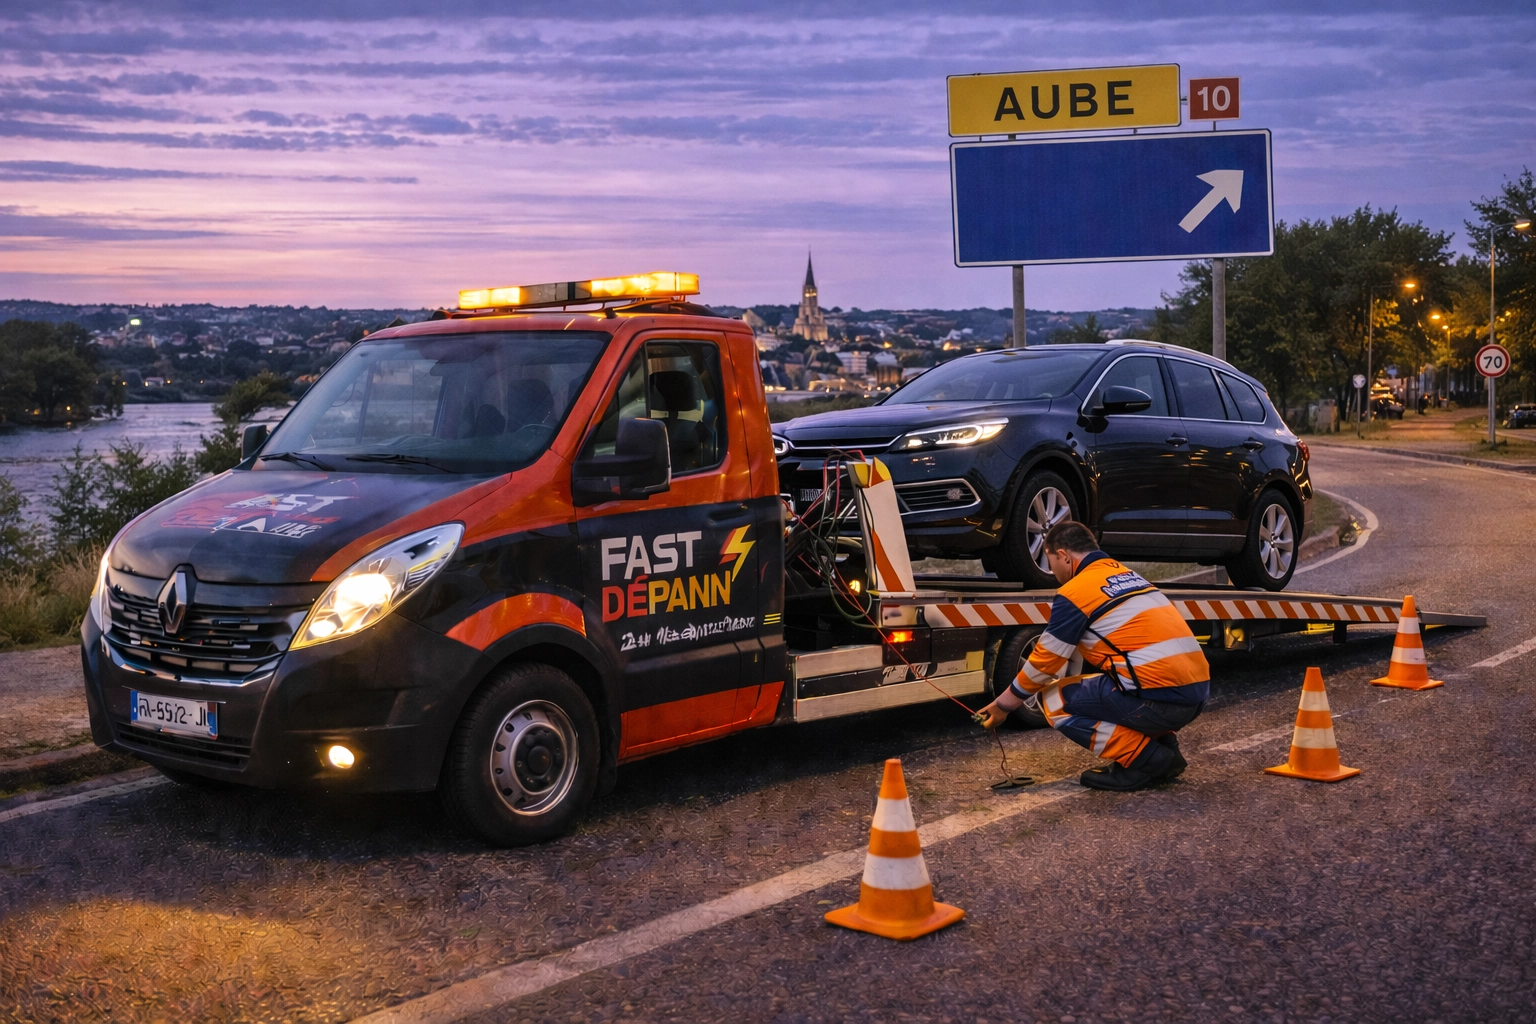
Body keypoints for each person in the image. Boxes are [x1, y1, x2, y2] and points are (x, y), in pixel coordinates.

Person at [977, 520, 1210, 791]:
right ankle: (1166, 749)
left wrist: (1003, 706)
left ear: (1063, 555)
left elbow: (1044, 664)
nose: (1052, 571)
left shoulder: (1076, 592)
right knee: (1119, 679)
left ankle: (1145, 759)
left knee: (1054, 699)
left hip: (1160, 704)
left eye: (1051, 560)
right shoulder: (1129, 576)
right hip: (1196, 697)